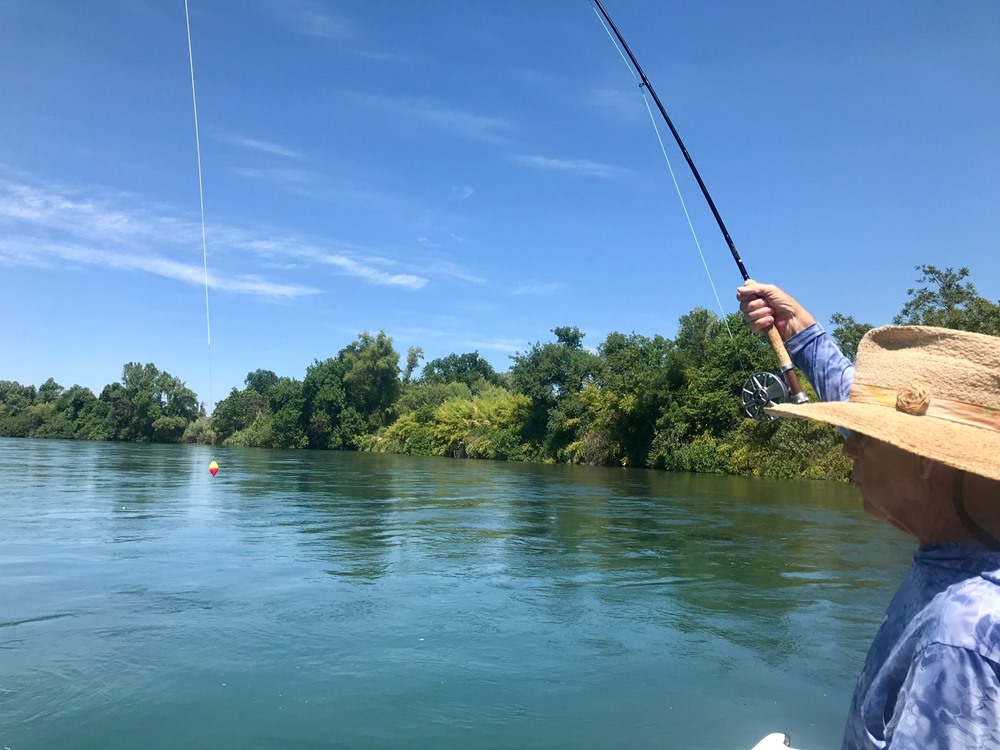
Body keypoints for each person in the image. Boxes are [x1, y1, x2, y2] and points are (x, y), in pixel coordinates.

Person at [737, 281, 1000, 750]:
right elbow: (858, 394)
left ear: (924, 458)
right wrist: (799, 330)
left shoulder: (958, 641)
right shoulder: (969, 558)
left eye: (867, 436)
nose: (847, 448)